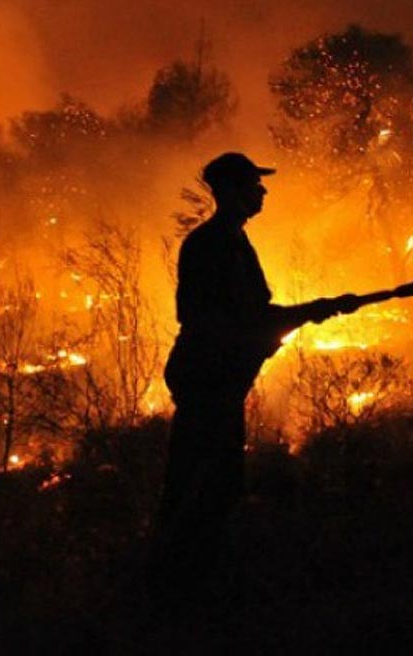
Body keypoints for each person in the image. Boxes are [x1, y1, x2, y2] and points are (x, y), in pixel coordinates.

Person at [150, 152, 358, 602]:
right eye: (253, 184)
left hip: (215, 379)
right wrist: (308, 312)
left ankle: (182, 580)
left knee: (207, 481)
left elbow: (249, 316)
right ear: (230, 191)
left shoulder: (229, 241)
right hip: (210, 380)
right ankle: (178, 589)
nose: (262, 191)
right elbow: (229, 319)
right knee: (203, 484)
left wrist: (313, 310)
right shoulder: (214, 244)